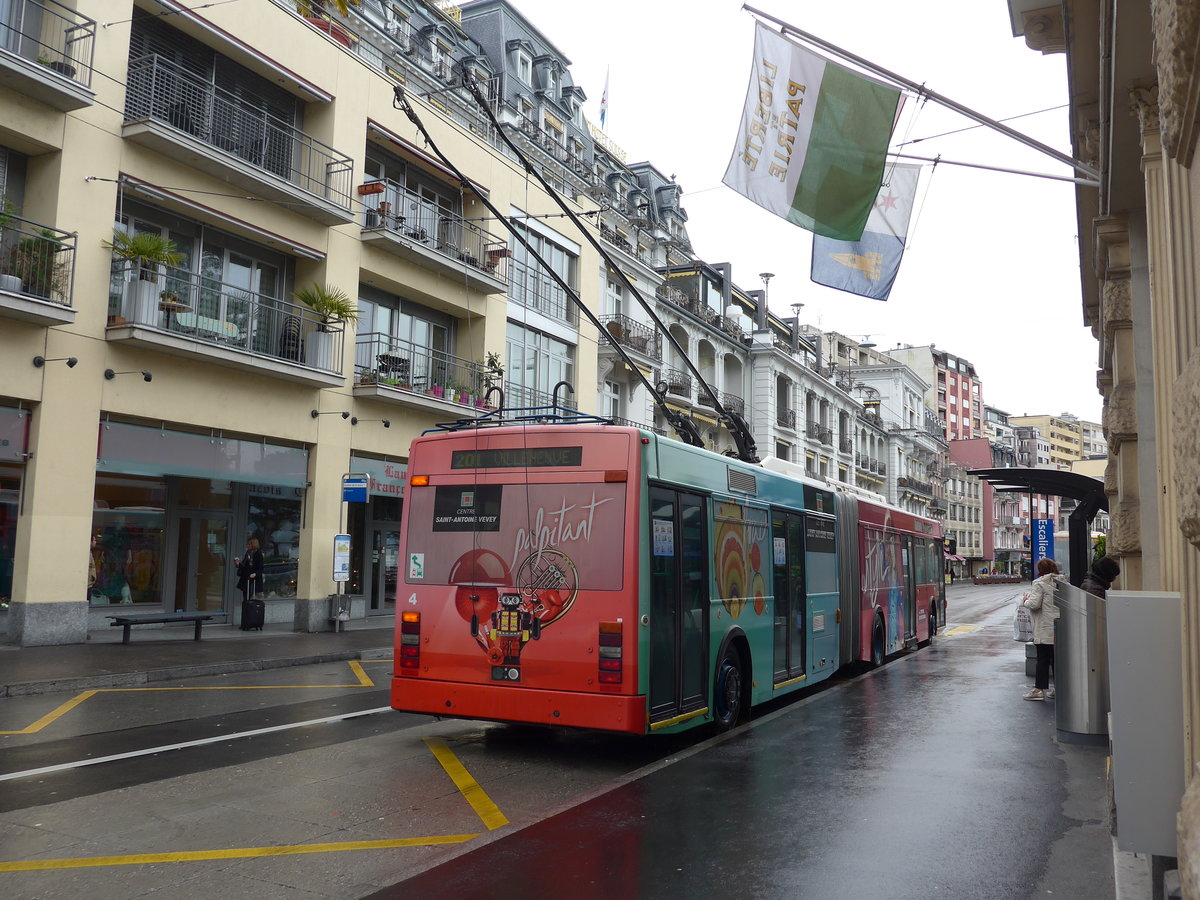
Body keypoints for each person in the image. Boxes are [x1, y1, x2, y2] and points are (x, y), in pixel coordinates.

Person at [1023, 557, 1066, 701]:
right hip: (1058, 626)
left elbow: (1034, 604)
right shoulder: (1063, 582)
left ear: (1040, 570)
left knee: (1042, 659)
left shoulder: (1039, 583)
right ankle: (1058, 689)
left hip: (1044, 627)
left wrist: (1025, 600)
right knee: (1056, 659)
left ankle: (1038, 689)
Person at [234, 537, 264, 604]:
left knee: (251, 598)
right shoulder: (248, 553)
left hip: (253, 579)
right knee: (246, 597)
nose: (247, 546)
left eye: (249, 544)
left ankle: (249, 611)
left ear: (253, 545)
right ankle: (246, 609)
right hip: (246, 578)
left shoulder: (258, 554)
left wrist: (255, 574)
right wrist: (238, 564)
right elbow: (245, 566)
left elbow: (260, 568)